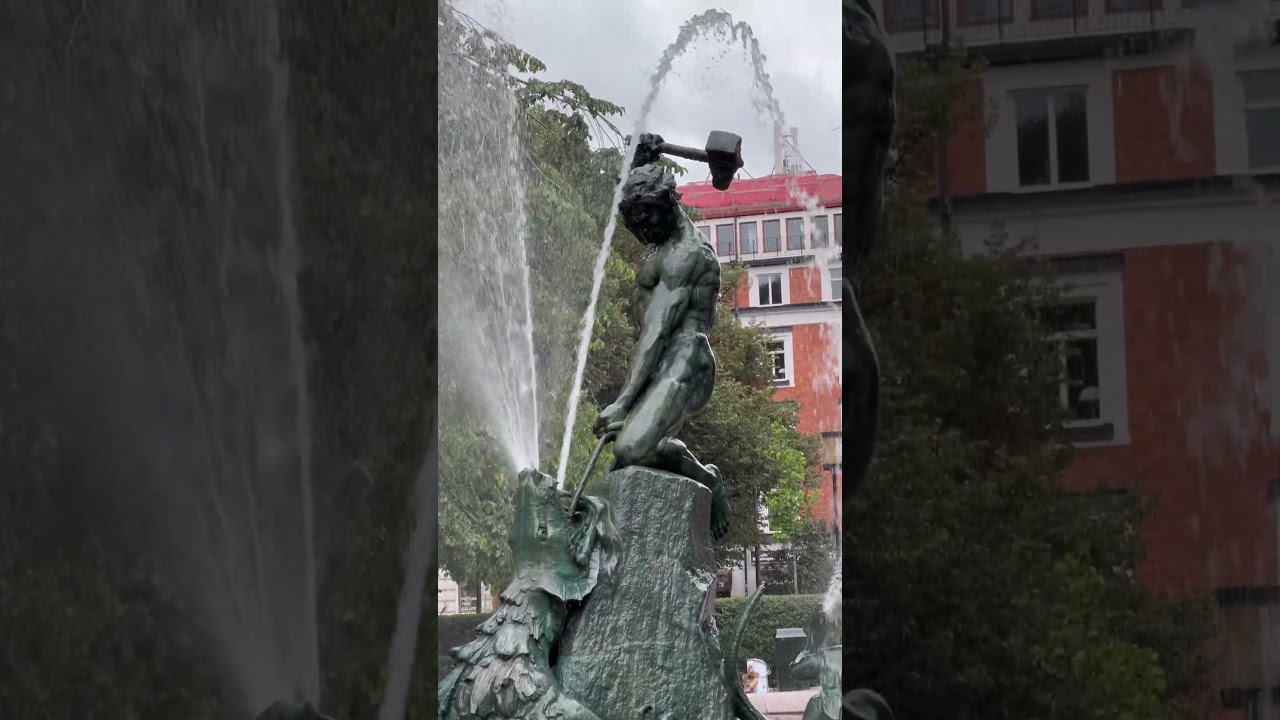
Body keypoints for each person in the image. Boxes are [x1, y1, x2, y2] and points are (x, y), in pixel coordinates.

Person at [593, 143, 731, 540]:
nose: (643, 228)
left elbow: (656, 331)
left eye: (649, 216)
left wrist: (622, 401)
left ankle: (708, 480)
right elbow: (638, 189)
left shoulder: (687, 255)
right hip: (659, 365)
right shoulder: (659, 236)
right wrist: (641, 160)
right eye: (636, 222)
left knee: (631, 448)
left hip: (686, 361)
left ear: (670, 203)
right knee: (623, 462)